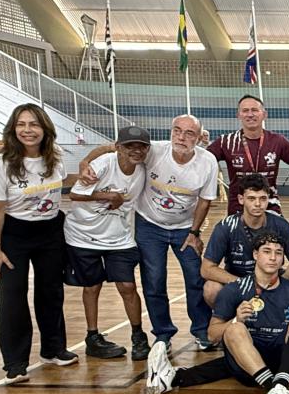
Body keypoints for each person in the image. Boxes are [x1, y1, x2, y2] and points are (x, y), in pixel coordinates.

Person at [145, 231, 289, 394]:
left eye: (279, 253)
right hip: (246, 365)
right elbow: (212, 335)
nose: (273, 257)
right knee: (234, 329)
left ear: (283, 259)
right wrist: (236, 319)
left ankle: (276, 388)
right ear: (255, 255)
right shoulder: (234, 289)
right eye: (267, 251)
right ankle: (277, 388)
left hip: (279, 362)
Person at [81, 114, 219, 352]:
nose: (181, 137)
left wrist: (194, 232)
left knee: (196, 279)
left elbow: (205, 202)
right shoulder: (153, 151)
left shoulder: (208, 161)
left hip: (184, 228)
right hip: (149, 225)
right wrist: (86, 163)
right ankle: (163, 334)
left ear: (199, 138)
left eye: (189, 133)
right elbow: (110, 147)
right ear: (171, 131)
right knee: (154, 282)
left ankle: (201, 330)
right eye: (177, 130)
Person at [0, 103, 80, 383]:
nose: (28, 130)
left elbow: (63, 181)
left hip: (50, 231)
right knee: (13, 295)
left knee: (51, 292)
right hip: (14, 234)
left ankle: (53, 349)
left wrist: (85, 175)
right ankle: (14, 362)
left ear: (44, 129)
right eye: (22, 125)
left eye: (34, 124)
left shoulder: (54, 159)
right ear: (13, 129)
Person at [64, 124, 152, 361]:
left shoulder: (142, 167)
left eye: (141, 147)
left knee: (127, 286)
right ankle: (92, 337)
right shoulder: (103, 164)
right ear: (119, 148)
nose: (136, 151)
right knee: (91, 286)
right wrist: (107, 195)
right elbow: (73, 194)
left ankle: (138, 335)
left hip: (118, 237)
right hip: (84, 235)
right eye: (129, 146)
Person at [201, 173, 289, 306]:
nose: (257, 204)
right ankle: (224, 321)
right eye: (251, 198)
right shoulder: (226, 227)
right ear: (240, 199)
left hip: (272, 279)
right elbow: (206, 269)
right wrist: (243, 283)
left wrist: (280, 280)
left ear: (268, 199)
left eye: (262, 198)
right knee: (211, 288)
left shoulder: (280, 225)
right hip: (237, 279)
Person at [206, 94, 289, 215]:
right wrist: (196, 142)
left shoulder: (278, 141)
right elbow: (202, 161)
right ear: (238, 115)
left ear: (264, 115)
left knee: (277, 233)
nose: (250, 114)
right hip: (238, 208)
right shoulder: (226, 141)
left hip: (270, 206)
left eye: (255, 110)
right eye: (245, 110)